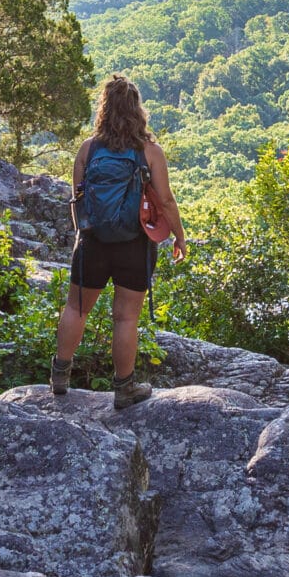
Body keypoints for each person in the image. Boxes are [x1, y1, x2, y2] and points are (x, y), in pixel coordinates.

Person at [52, 75, 183, 408]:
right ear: (137, 110)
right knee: (125, 318)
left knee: (76, 308)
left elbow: (77, 199)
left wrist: (83, 239)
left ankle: (59, 379)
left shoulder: (88, 148)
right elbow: (166, 201)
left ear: (104, 109)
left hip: (92, 242)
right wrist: (180, 236)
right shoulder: (150, 152)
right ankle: (124, 389)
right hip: (134, 244)